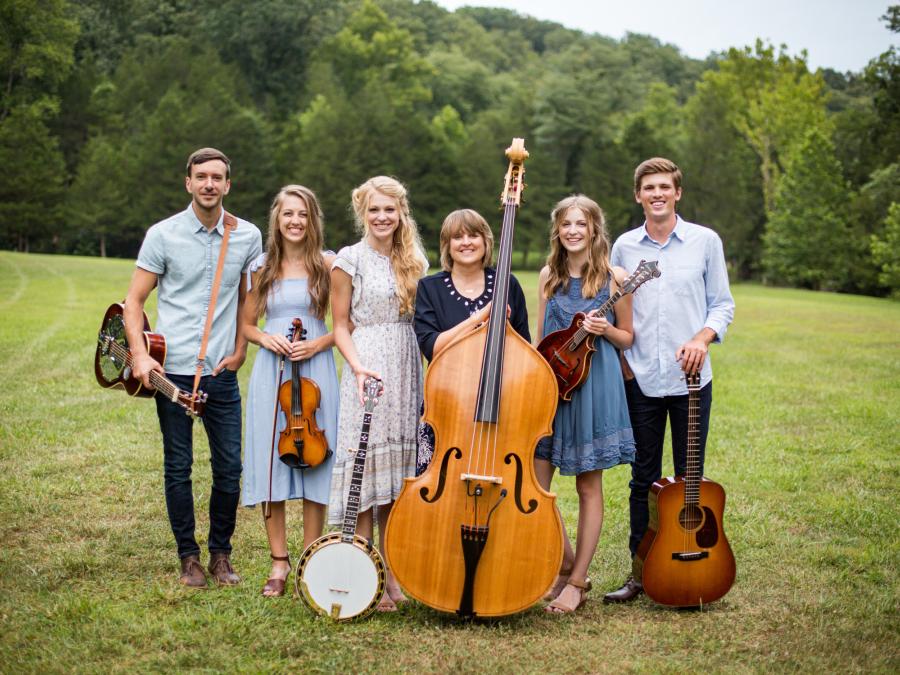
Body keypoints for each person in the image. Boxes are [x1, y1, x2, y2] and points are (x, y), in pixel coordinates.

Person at [124, 148, 262, 588]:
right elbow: (133, 302)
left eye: (217, 177)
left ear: (228, 185)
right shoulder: (162, 235)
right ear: (188, 182)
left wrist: (240, 351)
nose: (209, 184)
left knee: (230, 469)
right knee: (178, 466)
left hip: (220, 373)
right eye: (201, 176)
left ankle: (221, 555)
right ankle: (188, 557)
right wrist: (140, 355)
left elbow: (247, 301)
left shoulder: (248, 236)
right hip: (172, 371)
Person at [604, 157, 735, 603]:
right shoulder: (624, 247)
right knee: (642, 479)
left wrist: (702, 338)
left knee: (688, 479)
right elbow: (616, 308)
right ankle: (640, 573)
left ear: (677, 193)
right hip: (640, 378)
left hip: (691, 382)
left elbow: (722, 304)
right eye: (649, 188)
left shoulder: (705, 241)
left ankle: (689, 566)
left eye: (664, 187)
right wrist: (623, 362)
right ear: (638, 196)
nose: (657, 194)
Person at [328, 175, 428, 611]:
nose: (382, 217)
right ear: (362, 212)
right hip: (367, 364)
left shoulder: (415, 259)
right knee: (366, 473)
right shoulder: (348, 260)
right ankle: (364, 575)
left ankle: (392, 575)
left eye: (390, 209)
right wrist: (357, 368)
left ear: (401, 213)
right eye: (374, 209)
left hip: (407, 365)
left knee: (395, 481)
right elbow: (339, 326)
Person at [534, 195, 636, 614]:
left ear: (595, 229)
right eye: (566, 224)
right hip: (553, 386)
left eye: (581, 224)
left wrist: (605, 329)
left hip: (595, 387)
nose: (573, 231)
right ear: (557, 231)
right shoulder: (548, 276)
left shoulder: (615, 278)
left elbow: (627, 337)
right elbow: (542, 339)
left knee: (587, 485)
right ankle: (565, 563)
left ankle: (575, 582)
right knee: (533, 483)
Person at [240, 185, 338, 597]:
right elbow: (247, 325)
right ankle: (279, 562)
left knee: (317, 460)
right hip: (273, 372)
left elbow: (346, 324)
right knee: (271, 462)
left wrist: (318, 344)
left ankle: (310, 558)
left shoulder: (329, 264)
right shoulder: (261, 266)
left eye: (302, 214)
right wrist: (266, 338)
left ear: (312, 220)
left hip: (317, 370)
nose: (295, 221)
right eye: (288, 214)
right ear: (276, 220)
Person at [412, 208, 530, 475]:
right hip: (446, 401)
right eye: (457, 237)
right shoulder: (430, 288)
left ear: (486, 241)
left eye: (473, 235)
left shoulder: (507, 284)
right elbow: (432, 346)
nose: (466, 242)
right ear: (447, 245)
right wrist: (480, 317)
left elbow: (524, 349)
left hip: (499, 403)